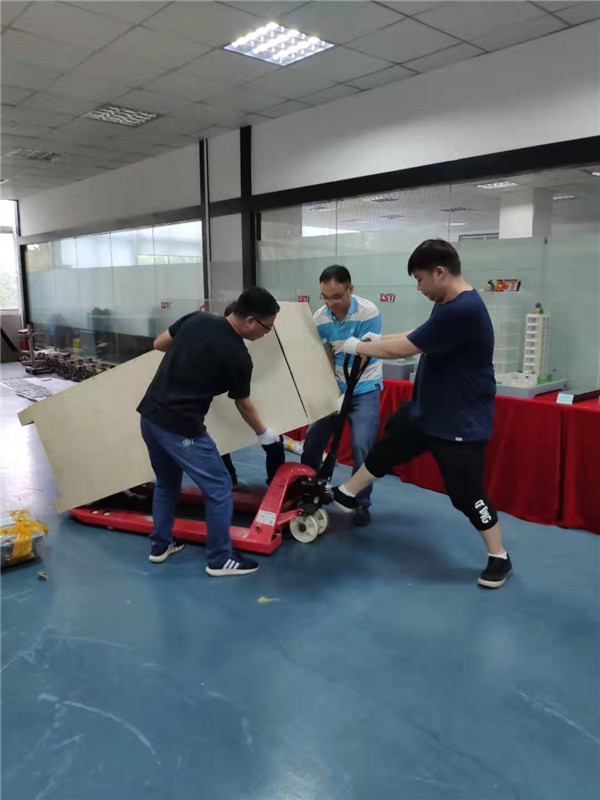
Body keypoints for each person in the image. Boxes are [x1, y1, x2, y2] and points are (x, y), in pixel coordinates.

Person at [331, 239, 512, 589]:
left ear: (439, 273)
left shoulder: (464, 309)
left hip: (459, 420)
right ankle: (347, 493)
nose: (418, 287)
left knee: (466, 494)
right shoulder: (447, 302)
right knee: (390, 444)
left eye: (419, 279)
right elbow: (417, 335)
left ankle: (499, 556)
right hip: (428, 408)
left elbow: (406, 348)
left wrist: (360, 345)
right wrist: (378, 337)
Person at [137, 287, 281, 577]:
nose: (266, 334)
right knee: (219, 488)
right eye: (267, 328)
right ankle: (219, 559)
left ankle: (160, 545)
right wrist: (264, 433)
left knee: (167, 482)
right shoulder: (239, 356)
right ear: (250, 321)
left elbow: (159, 343)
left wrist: (188, 357)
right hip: (181, 428)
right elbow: (242, 403)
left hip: (150, 417)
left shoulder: (197, 319)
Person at [301, 265, 382, 526]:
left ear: (350, 289)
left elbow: (366, 354)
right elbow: (326, 354)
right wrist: (332, 389)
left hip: (364, 387)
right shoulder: (320, 318)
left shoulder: (368, 312)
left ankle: (360, 502)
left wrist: (349, 389)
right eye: (325, 297)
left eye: (336, 297)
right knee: (313, 437)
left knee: (361, 445)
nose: (330, 303)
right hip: (336, 387)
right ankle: (308, 487)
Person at [220, 301, 285, 490]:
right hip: (228, 408)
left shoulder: (258, 349)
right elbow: (240, 399)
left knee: (274, 441)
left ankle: (276, 483)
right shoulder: (228, 351)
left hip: (256, 404)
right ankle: (230, 480)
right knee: (219, 441)